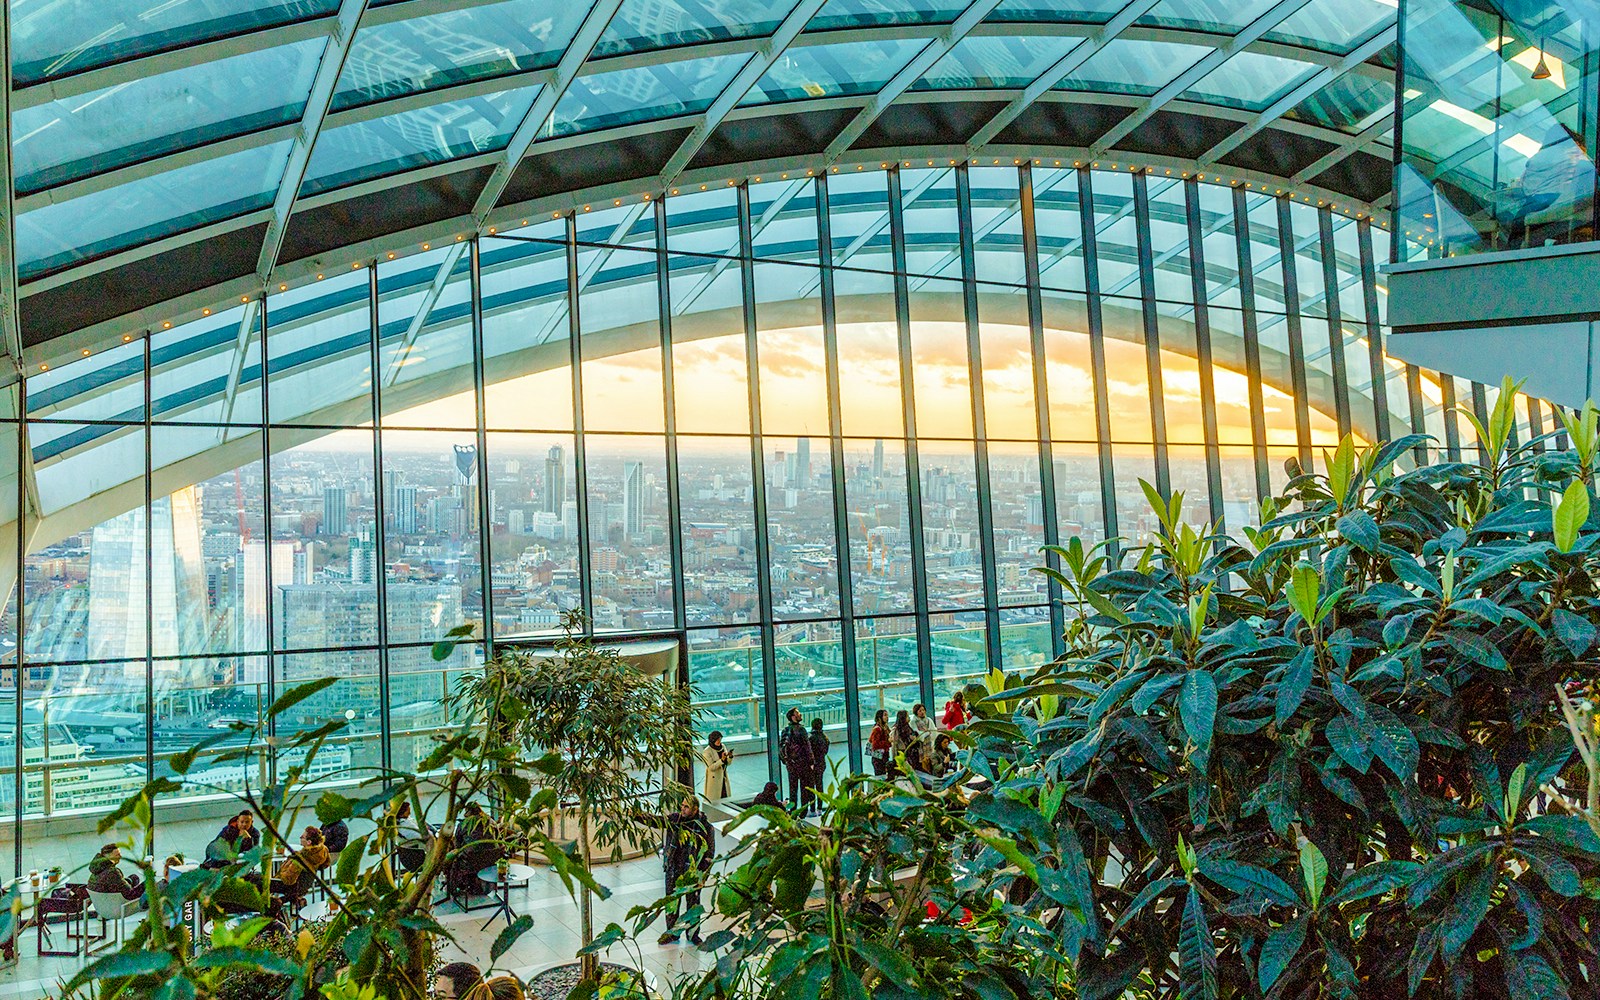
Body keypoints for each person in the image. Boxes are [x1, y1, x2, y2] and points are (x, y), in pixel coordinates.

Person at [658, 797, 716, 947]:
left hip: (692, 871)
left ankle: (693, 934)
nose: (682, 809)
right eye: (682, 805)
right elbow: (656, 821)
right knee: (672, 902)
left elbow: (709, 854)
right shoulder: (675, 820)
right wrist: (637, 815)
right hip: (674, 868)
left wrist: (703, 874)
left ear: (695, 809)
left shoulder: (705, 827)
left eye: (686, 807)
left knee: (693, 903)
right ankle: (671, 933)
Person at [272, 826, 330, 903]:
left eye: (302, 837)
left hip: (291, 887)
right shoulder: (323, 850)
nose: (300, 837)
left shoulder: (300, 858)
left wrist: (282, 871)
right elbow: (325, 865)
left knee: (256, 880)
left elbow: (288, 880)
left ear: (309, 842)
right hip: (306, 885)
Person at [778, 707, 814, 812]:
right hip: (802, 763)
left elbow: (781, 747)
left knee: (792, 789)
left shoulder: (785, 730)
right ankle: (803, 811)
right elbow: (807, 747)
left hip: (791, 764)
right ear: (793, 717)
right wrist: (811, 761)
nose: (800, 714)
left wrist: (786, 761)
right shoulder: (801, 730)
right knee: (804, 789)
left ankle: (793, 811)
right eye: (798, 713)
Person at [802, 718, 830, 814]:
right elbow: (825, 751)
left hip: (813, 765)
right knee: (820, 785)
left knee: (811, 786)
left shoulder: (811, 739)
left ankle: (813, 808)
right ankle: (820, 807)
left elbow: (808, 753)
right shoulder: (825, 738)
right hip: (822, 763)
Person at [700, 731, 733, 801]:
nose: (719, 742)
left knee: (725, 796)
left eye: (720, 740)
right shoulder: (707, 751)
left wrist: (729, 757)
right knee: (715, 798)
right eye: (717, 740)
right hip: (714, 779)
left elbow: (728, 763)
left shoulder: (723, 746)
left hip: (723, 776)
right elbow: (711, 767)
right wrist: (721, 760)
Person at [891, 710, 918, 778]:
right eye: (907, 716)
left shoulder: (908, 727)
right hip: (902, 752)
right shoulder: (897, 729)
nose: (909, 718)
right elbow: (895, 745)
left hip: (910, 752)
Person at [868, 709, 892, 778]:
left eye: (887, 715)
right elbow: (875, 745)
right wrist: (888, 741)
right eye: (885, 715)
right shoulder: (877, 729)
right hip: (878, 757)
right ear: (879, 717)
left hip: (884, 755)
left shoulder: (885, 727)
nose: (887, 717)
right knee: (880, 775)